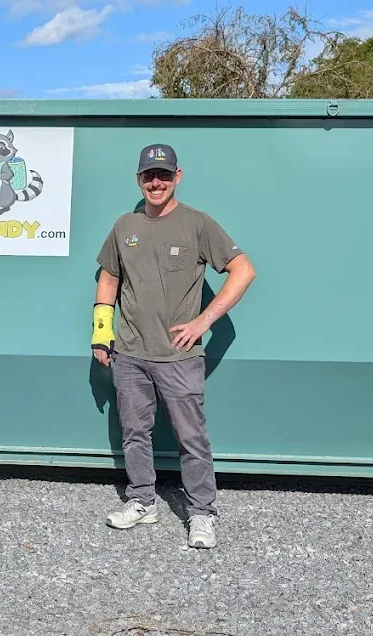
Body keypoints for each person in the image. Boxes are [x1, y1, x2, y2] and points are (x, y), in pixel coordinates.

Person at [90, 143, 256, 549]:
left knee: (191, 439)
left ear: (177, 177)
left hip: (179, 357)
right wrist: (100, 330)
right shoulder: (124, 225)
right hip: (129, 352)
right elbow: (109, 278)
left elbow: (243, 270)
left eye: (164, 175)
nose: (156, 182)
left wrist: (205, 320)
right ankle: (142, 500)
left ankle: (201, 513)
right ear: (139, 180)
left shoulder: (197, 224)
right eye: (149, 175)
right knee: (134, 432)